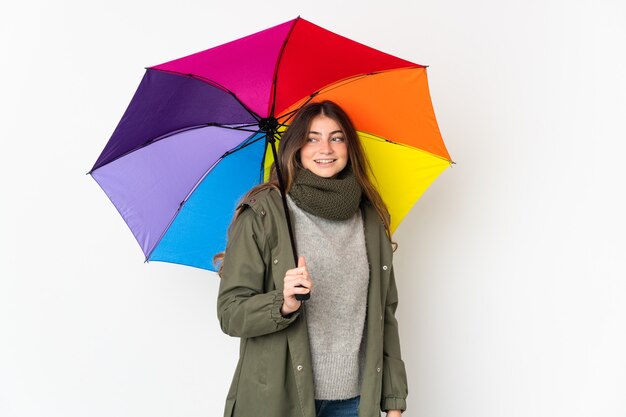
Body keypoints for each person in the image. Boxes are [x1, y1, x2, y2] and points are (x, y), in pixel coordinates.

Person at [214, 100, 407, 417]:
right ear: (296, 147)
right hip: (279, 399)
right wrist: (283, 302)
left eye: (337, 137)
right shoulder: (264, 213)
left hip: (357, 401)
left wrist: (394, 401)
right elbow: (230, 313)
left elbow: (385, 314)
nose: (325, 148)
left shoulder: (371, 217)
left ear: (349, 146)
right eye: (312, 137)